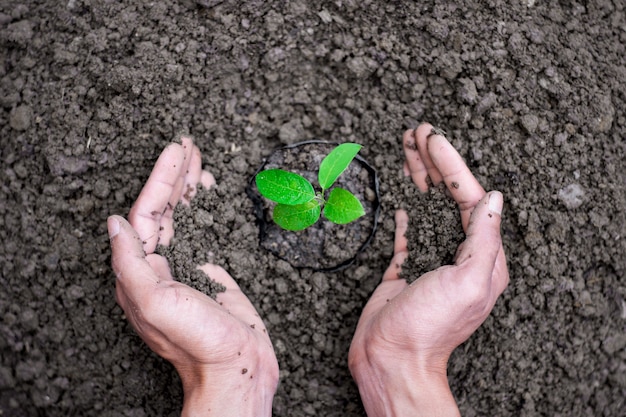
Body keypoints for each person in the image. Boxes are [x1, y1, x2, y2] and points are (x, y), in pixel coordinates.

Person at [107, 123, 509, 417]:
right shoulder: (308, 204)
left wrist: (226, 376)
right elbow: (283, 200)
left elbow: (336, 207)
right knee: (300, 204)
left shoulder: (337, 205)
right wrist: (407, 362)